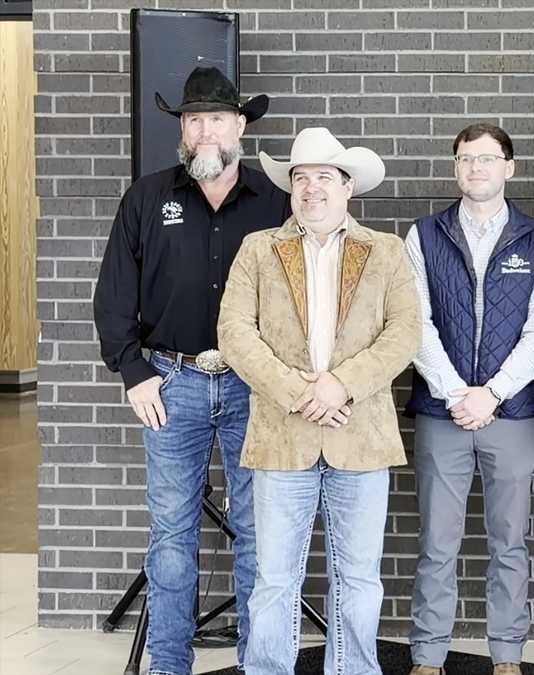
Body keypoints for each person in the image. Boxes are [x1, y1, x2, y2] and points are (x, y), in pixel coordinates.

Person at [93, 66, 287, 675]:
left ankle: (259, 663)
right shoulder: (146, 198)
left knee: (259, 534)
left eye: (217, 119)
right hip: (168, 384)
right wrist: (133, 371)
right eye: (193, 119)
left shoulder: (277, 205)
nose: (205, 130)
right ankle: (169, 665)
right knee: (172, 536)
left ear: (240, 127)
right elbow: (114, 295)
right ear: (182, 128)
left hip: (254, 386)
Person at [216, 127, 421, 675]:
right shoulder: (258, 250)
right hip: (283, 439)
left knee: (358, 580)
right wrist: (300, 392)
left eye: (324, 178)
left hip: (362, 437)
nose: (311, 189)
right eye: (300, 178)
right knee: (274, 578)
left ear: (348, 186)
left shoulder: (387, 251)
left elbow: (405, 334)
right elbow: (235, 333)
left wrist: (341, 384)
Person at [404, 122, 534, 675]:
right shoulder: (423, 236)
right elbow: (416, 325)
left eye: (488, 159)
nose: (476, 168)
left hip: (511, 412)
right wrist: (455, 395)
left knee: (510, 543)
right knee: (437, 544)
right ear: (455, 168)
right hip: (442, 412)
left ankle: (508, 657)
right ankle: (426, 657)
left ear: (509, 168)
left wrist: (491, 394)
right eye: (466, 158)